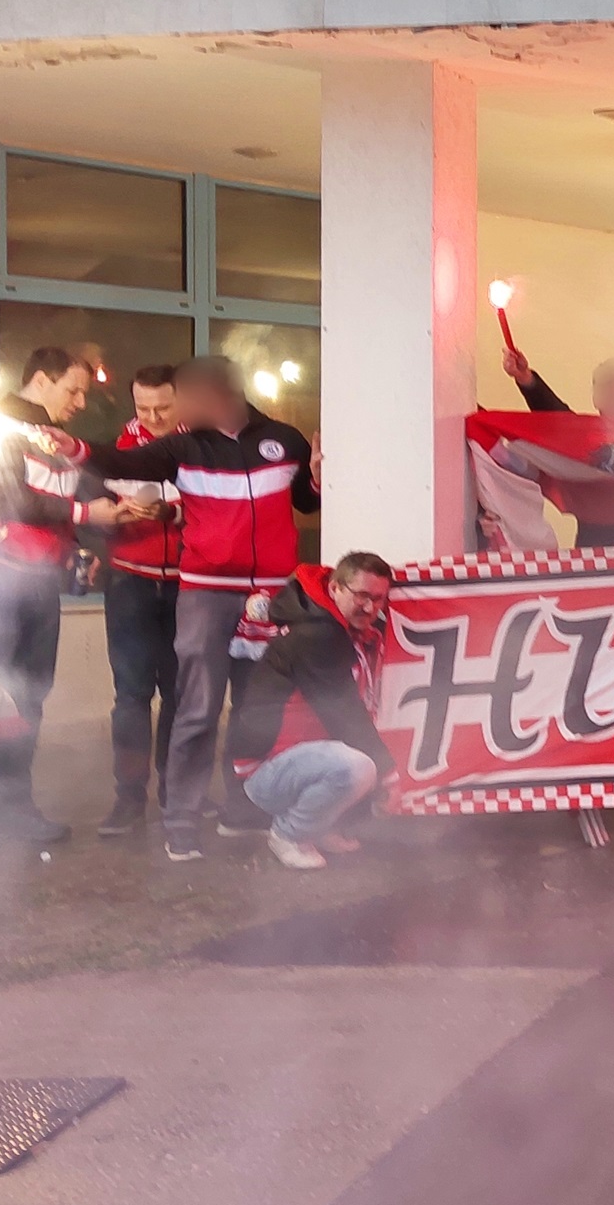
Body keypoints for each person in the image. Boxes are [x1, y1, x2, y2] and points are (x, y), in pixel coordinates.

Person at [94, 355, 319, 864]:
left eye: (183, 400)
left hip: (269, 597)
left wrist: (320, 479)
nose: (172, 412)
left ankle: (243, 809)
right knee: (194, 708)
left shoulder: (283, 439)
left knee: (256, 708)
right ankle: (180, 821)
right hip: (202, 593)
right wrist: (74, 450)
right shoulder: (183, 445)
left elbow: (306, 501)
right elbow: (119, 465)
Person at [0, 346, 123, 850]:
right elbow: (7, 499)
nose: (81, 402)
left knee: (28, 698)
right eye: (73, 390)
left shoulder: (53, 438)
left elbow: (56, 502)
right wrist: (86, 516)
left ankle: (11, 806)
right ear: (41, 379)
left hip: (37, 583)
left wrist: (80, 546)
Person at [224, 551, 395, 871]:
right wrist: (388, 772)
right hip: (265, 769)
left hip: (293, 757)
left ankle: (318, 828)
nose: (370, 608)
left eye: (378, 599)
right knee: (358, 767)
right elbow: (343, 710)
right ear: (335, 588)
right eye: (362, 596)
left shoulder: (329, 622)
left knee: (361, 758)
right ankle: (288, 835)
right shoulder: (317, 633)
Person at [97, 365, 183, 837]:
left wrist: (176, 512)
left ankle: (177, 793)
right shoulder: (118, 450)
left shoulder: (202, 448)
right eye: (143, 408)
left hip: (187, 585)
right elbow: (88, 516)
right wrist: (112, 518)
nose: (152, 418)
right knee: (131, 697)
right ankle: (128, 800)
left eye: (163, 408)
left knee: (179, 694)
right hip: (129, 582)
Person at [500, 344, 614, 547]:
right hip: (595, 553)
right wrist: (526, 378)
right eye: (613, 394)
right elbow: (558, 420)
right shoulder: (587, 441)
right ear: (597, 400)